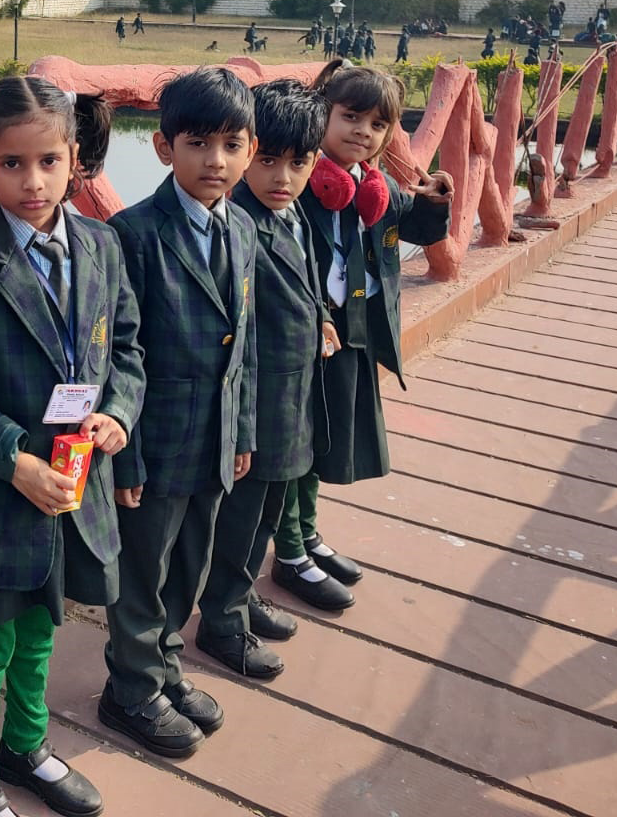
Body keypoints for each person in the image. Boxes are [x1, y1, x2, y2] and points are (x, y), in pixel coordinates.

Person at [0, 78, 145, 817]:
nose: (33, 182)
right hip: (0, 490)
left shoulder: (102, 245)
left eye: (49, 161)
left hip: (76, 481)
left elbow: (126, 347)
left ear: (75, 157)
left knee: (43, 626)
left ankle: (25, 746)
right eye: (12, 164)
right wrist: (13, 459)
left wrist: (117, 414)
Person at [99, 68, 258, 760]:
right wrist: (126, 455)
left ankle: (165, 667)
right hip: (155, 439)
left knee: (191, 561)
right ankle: (130, 688)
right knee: (144, 572)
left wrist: (242, 429)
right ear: (164, 147)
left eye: (231, 145)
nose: (214, 161)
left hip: (214, 436)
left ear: (250, 150)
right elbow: (117, 355)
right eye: (197, 143)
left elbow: (244, 341)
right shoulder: (132, 234)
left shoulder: (243, 226)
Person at [278, 64, 451, 614]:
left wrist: (434, 202)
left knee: (325, 441)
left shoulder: (377, 188)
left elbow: (416, 228)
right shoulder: (296, 185)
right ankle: (288, 552)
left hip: (353, 334)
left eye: (378, 124)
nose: (363, 132)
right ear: (322, 114)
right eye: (350, 116)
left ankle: (307, 533)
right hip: (306, 335)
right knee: (297, 443)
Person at [196, 81, 336, 679]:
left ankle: (244, 593)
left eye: (298, 163)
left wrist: (321, 316)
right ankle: (222, 621)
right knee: (242, 517)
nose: (282, 177)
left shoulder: (291, 212)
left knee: (270, 509)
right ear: (249, 152)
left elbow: (307, 277)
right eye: (269, 160)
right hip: (257, 399)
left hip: (292, 391)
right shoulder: (241, 225)